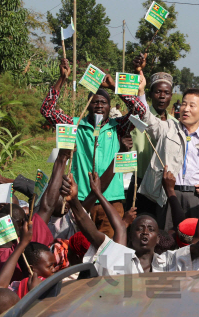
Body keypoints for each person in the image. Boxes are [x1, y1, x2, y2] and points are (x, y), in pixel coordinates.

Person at [61, 172, 199, 274]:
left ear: (157, 237)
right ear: (129, 237)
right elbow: (91, 231)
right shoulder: (116, 255)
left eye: (151, 229)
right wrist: (73, 201)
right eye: (139, 228)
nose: (145, 232)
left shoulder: (168, 262)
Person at [40, 58, 147, 237]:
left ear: (109, 107)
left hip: (111, 201)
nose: (98, 105)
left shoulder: (118, 125)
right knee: (79, 247)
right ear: (88, 106)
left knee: (109, 250)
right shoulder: (75, 125)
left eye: (103, 102)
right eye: (94, 102)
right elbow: (47, 110)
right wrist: (62, 79)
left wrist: (114, 87)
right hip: (80, 199)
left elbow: (140, 112)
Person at [133, 56, 199, 231]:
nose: (186, 109)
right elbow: (147, 119)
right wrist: (141, 92)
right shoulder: (167, 129)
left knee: (197, 243)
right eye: (183, 104)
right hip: (169, 196)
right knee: (167, 243)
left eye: (192, 105)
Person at [125, 71, 177, 218]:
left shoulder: (176, 124)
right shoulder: (137, 116)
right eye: (157, 92)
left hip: (164, 185)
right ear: (150, 94)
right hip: (139, 183)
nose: (162, 96)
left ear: (171, 96)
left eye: (166, 93)